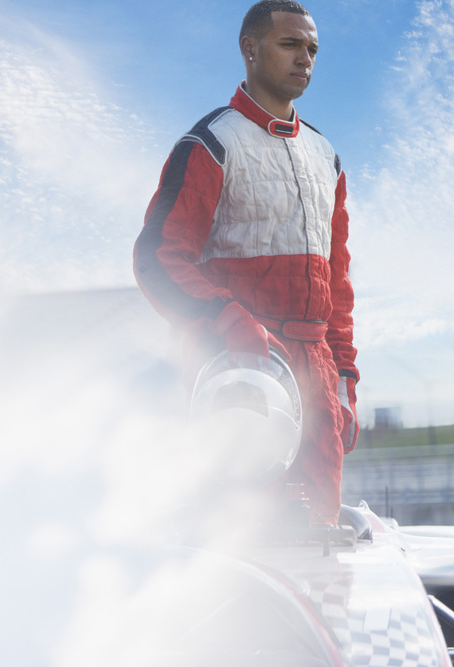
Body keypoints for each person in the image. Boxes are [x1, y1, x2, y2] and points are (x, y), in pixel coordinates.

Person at [133, 0, 358, 524]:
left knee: (319, 538)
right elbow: (157, 260)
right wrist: (227, 319)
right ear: (249, 50)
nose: (305, 58)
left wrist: (344, 381)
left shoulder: (327, 158)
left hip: (317, 374)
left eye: (313, 49)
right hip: (237, 370)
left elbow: (338, 285)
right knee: (238, 542)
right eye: (290, 44)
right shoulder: (212, 143)